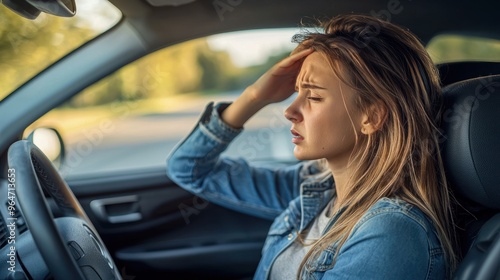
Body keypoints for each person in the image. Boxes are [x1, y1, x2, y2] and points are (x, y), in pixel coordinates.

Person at [166, 14, 457, 279]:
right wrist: (255, 96)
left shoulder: (390, 233)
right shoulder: (315, 189)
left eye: (314, 97)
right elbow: (190, 169)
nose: (289, 110)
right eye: (296, 92)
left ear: (372, 117)